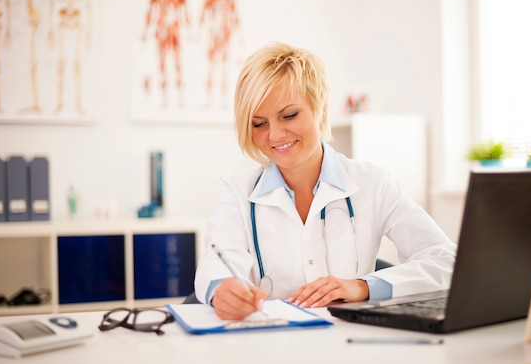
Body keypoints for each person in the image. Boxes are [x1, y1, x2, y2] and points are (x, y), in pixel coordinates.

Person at [194, 42, 457, 320]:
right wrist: (222, 289)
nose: (275, 135)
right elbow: (218, 260)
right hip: (270, 344)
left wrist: (363, 287)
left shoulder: (373, 183)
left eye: (289, 115)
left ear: (320, 108)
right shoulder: (238, 191)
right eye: (259, 123)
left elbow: (445, 261)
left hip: (348, 342)